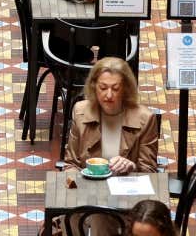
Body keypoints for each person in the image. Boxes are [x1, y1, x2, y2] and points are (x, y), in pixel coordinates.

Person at [61, 58, 159, 235]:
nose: (108, 95)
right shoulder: (81, 111)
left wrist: (131, 166)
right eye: (103, 87)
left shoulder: (145, 118)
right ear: (94, 87)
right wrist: (78, 185)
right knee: (69, 215)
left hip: (125, 201)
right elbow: (70, 163)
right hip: (88, 194)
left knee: (100, 215)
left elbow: (150, 172)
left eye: (115, 88)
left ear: (126, 89)